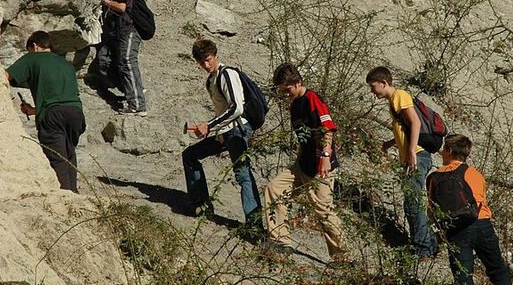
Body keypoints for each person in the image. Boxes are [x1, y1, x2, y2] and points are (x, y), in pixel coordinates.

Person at [427, 134, 513, 285]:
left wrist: (439, 230)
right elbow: (480, 200)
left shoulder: (434, 177)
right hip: (482, 225)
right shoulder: (475, 174)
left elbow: (432, 209)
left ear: (449, 151)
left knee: (463, 278)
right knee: (498, 271)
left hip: (456, 231)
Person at [262, 63, 349, 263]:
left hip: (321, 168)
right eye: (281, 91)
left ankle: (343, 258)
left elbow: (327, 129)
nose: (285, 94)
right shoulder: (294, 103)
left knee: (323, 211)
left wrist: (326, 157)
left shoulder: (312, 99)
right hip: (302, 165)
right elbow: (302, 137)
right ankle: (281, 240)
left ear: (298, 82)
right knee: (274, 190)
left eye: (287, 90)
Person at [181, 39, 262, 233]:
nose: (206, 65)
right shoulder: (212, 79)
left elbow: (237, 108)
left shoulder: (227, 74)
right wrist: (217, 131)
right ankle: (201, 206)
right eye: (202, 63)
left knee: (243, 175)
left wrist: (209, 126)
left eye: (208, 60)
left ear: (215, 55)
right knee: (190, 155)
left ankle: (255, 225)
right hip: (226, 132)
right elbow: (223, 110)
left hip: (238, 131)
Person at [366, 66, 438, 258]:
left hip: (417, 157)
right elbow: (404, 127)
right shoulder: (394, 101)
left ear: (384, 83)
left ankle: (423, 249)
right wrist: (390, 143)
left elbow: (415, 122)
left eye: (373, 87)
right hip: (411, 157)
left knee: (413, 204)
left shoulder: (399, 96)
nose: (372, 91)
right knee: (411, 203)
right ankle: (430, 243)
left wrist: (412, 152)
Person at [6, 31, 87, 192]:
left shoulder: (32, 58)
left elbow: (6, 75)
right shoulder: (65, 64)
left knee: (57, 158)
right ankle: (74, 193)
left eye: (29, 50)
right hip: (76, 114)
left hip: (53, 116)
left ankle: (65, 195)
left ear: (35, 46)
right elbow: (61, 101)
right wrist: (33, 110)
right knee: (69, 153)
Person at [95, 0, 147, 116]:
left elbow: (122, 7)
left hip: (128, 30)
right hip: (114, 35)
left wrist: (105, 2)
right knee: (104, 62)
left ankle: (137, 104)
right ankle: (133, 90)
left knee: (127, 61)